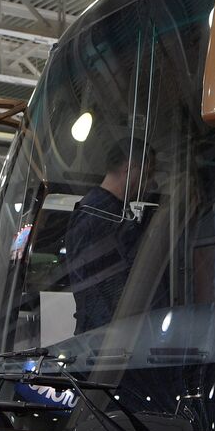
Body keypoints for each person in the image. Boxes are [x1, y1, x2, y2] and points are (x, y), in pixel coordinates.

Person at [65, 140, 156, 333]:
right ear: (129, 167)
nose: (150, 183)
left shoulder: (99, 209)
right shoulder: (100, 215)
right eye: (147, 174)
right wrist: (115, 335)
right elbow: (95, 290)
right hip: (106, 341)